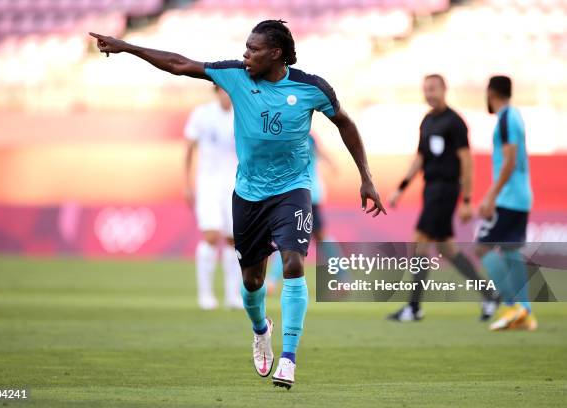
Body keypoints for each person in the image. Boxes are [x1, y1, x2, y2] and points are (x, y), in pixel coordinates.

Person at [90, 19, 385, 389]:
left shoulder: (312, 88)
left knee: (294, 263)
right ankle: (261, 330)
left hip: (293, 191)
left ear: (275, 53)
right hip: (249, 196)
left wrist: (366, 176)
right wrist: (127, 47)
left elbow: (345, 123)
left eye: (253, 49)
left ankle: (289, 359)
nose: (245, 55)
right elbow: (180, 65)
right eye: (245, 48)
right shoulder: (235, 76)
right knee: (252, 280)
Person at [388, 74, 499, 322]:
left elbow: (467, 161)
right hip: (431, 189)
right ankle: (490, 294)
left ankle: (414, 307)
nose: (429, 93)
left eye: (433, 89)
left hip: (446, 190)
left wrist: (468, 200)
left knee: (420, 241)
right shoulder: (427, 121)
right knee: (446, 248)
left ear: (444, 89)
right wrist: (401, 187)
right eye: (425, 89)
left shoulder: (455, 122)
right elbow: (420, 157)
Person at [476, 75, 537, 331]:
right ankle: (525, 313)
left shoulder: (506, 118)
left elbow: (510, 161)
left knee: (482, 248)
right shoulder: (515, 116)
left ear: (490, 92)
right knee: (511, 251)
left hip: (509, 198)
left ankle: (514, 305)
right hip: (521, 196)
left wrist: (491, 194)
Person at [184, 84, 242, 310]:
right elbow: (189, 148)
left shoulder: (242, 114)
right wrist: (187, 184)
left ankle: (232, 295)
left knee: (234, 239)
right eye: (223, 90)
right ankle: (205, 294)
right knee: (211, 234)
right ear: (216, 91)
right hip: (208, 183)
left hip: (236, 184)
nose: (227, 95)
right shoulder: (202, 114)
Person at [265, 133, 341, 296]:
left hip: (305, 194)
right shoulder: (299, 136)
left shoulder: (301, 136)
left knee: (295, 237)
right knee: (315, 236)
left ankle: (272, 280)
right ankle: (343, 278)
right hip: (303, 194)